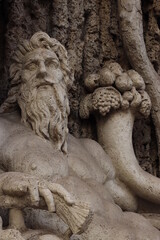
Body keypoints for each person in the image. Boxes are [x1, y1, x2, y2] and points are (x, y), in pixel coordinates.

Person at [0, 31, 159, 240]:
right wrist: (9, 181)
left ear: (65, 79)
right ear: (18, 82)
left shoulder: (90, 148)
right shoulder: (3, 130)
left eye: (51, 64)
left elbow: (131, 201)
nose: (42, 72)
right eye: (32, 66)